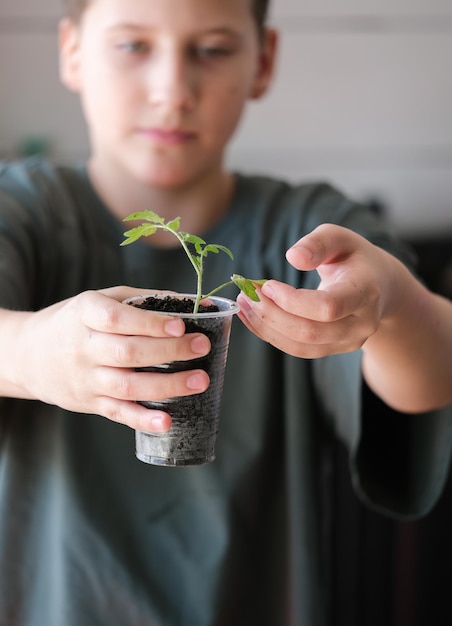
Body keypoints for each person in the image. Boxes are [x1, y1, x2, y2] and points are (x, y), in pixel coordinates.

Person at [0, 0, 451, 624]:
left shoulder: (302, 232)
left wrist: (394, 305)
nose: (172, 91)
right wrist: (25, 352)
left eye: (211, 49)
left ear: (263, 61)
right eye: (133, 46)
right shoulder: (21, 214)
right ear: (72, 52)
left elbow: (432, 376)